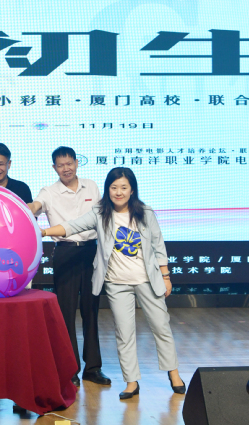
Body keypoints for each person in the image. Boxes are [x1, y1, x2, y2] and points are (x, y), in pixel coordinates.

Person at [40, 167, 185, 400]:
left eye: (124, 187)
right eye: (114, 187)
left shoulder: (145, 212)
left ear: (132, 190)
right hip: (117, 284)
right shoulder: (100, 213)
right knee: (124, 333)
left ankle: (174, 374)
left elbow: (158, 245)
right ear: (108, 190)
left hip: (147, 281)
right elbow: (73, 226)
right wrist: (44, 232)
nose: (119, 192)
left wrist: (165, 276)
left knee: (161, 327)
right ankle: (131, 382)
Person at [28, 146, 110, 388]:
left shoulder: (91, 186)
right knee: (65, 313)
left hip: (91, 252)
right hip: (64, 252)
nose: (66, 168)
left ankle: (93, 368)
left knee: (91, 310)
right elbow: (35, 206)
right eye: (61, 165)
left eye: (69, 163)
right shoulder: (49, 191)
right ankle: (69, 368)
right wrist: (25, 209)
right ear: (54, 167)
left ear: (76, 163)